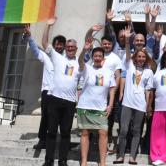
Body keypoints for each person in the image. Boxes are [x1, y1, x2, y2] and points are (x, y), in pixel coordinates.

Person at [42, 23, 102, 166]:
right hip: (54, 99)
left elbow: (87, 45)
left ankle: (62, 160)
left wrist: (89, 31)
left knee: (65, 132)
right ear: (65, 48)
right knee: (51, 132)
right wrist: (47, 26)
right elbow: (44, 43)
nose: (69, 49)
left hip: (69, 102)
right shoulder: (57, 57)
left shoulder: (80, 63)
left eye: (72, 47)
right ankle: (48, 160)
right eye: (68, 47)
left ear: (75, 49)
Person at [22, 19, 65, 150]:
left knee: (60, 118)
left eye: (61, 45)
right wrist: (29, 37)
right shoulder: (47, 57)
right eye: (57, 45)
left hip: (60, 93)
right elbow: (35, 50)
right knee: (45, 117)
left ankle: (58, 140)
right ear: (53, 46)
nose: (59, 47)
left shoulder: (66, 60)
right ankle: (42, 140)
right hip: (47, 91)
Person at [115, 27, 155, 165]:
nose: (141, 59)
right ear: (135, 57)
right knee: (124, 130)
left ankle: (132, 157)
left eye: (143, 57)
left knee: (137, 130)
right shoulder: (129, 66)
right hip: (127, 103)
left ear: (146, 58)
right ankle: (120, 156)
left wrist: (148, 106)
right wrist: (127, 41)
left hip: (140, 105)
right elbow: (127, 53)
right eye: (139, 56)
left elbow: (148, 91)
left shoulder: (149, 73)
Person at [77, 46, 117, 166]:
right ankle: (84, 161)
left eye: (100, 56)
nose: (98, 58)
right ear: (92, 57)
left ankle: (102, 162)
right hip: (85, 105)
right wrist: (84, 50)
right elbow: (80, 61)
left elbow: (112, 89)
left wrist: (110, 105)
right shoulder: (87, 68)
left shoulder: (109, 72)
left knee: (103, 133)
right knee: (85, 133)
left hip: (101, 107)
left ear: (103, 58)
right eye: (95, 56)